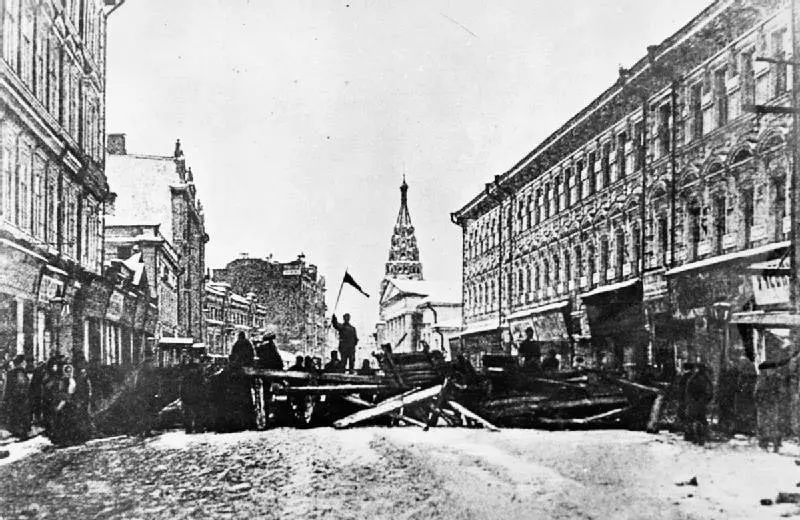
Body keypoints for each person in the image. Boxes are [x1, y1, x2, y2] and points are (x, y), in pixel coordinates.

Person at [684, 363, 714, 446]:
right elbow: (710, 391)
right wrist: (707, 400)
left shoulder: (693, 378)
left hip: (695, 401)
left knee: (693, 418)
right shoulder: (705, 379)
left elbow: (688, 390)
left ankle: (694, 437)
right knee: (701, 419)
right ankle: (701, 438)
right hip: (700, 401)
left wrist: (690, 400)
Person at [2, 355, 31, 439]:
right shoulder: (21, 372)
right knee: (22, 416)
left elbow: (6, 388)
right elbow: (24, 385)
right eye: (24, 362)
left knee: (16, 416)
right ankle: (22, 434)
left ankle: (18, 432)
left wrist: (5, 399)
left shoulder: (11, 373)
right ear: (21, 363)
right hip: (21, 398)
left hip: (14, 398)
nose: (25, 363)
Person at [180, 357, 207, 433]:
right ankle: (195, 428)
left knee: (193, 414)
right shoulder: (198, 377)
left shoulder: (189, 377)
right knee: (193, 414)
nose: (193, 370)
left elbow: (182, 388)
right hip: (192, 398)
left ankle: (193, 428)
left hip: (193, 398)